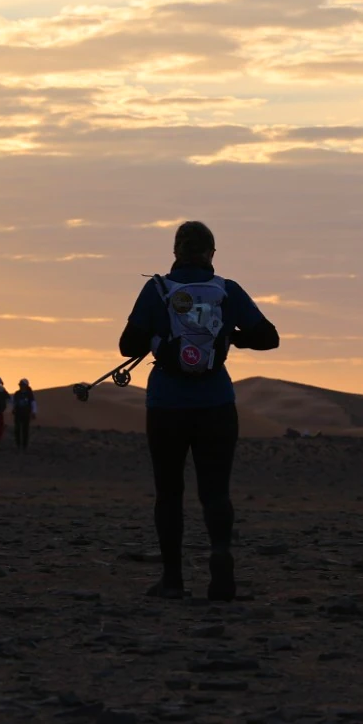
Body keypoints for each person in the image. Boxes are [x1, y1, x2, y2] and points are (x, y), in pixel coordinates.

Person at [120, 219, 279, 601]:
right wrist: (231, 338)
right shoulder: (226, 291)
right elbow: (269, 337)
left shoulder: (156, 289)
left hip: (166, 405)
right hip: (217, 404)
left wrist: (159, 338)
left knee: (169, 492)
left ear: (176, 252)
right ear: (211, 254)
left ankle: (172, 580)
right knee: (215, 492)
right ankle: (221, 572)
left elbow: (128, 345)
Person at [12, 378, 38, 450]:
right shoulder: (17, 393)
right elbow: (14, 402)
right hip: (18, 413)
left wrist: (34, 412)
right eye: (20, 384)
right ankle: (18, 444)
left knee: (25, 430)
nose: (21, 386)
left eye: (22, 384)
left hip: (26, 414)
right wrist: (13, 408)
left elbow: (33, 403)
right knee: (17, 429)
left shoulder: (29, 394)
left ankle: (24, 445)